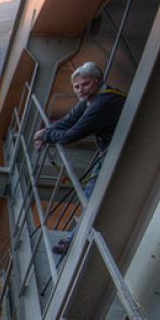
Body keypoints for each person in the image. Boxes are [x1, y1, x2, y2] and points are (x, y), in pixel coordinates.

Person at [34, 62, 126, 253]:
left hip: (119, 155)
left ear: (97, 81)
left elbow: (71, 135)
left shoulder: (102, 103)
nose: (80, 90)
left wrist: (45, 136)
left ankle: (73, 241)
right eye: (76, 86)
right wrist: (46, 133)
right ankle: (73, 237)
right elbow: (68, 121)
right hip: (112, 152)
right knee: (89, 195)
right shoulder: (94, 98)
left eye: (85, 84)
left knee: (91, 197)